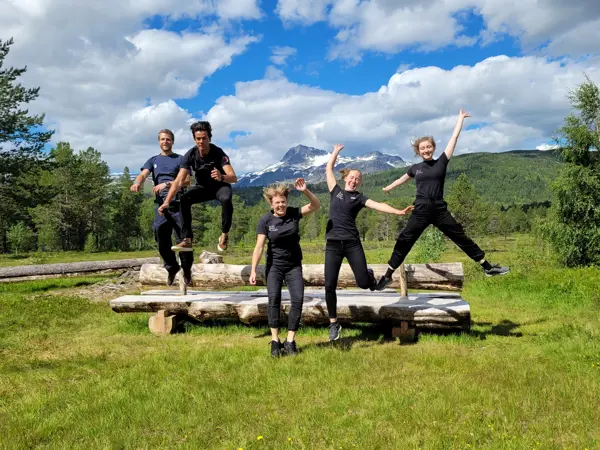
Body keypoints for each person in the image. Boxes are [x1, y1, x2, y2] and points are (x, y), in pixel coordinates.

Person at [376, 109, 509, 291]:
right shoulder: (415, 168)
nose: (426, 150)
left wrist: (460, 119)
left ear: (433, 148)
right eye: (422, 148)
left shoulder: (442, 162)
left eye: (428, 147)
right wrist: (389, 188)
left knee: (460, 236)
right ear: (418, 151)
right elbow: (403, 179)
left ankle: (487, 267)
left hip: (439, 211)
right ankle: (387, 276)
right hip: (420, 211)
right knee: (404, 240)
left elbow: (453, 139)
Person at [324, 144, 414, 341]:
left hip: (352, 244)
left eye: (358, 179)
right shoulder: (335, 191)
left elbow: (378, 206)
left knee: (364, 284)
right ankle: (333, 323)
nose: (354, 181)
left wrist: (398, 211)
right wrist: (335, 153)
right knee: (329, 285)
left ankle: (370, 277)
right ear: (346, 178)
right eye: (352, 177)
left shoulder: (359, 198)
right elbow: (328, 169)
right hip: (332, 245)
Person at [249, 178, 320, 357]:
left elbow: (316, 205)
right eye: (277, 203)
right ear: (271, 204)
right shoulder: (265, 220)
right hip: (274, 266)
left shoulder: (294, 213)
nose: (281, 205)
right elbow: (259, 247)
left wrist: (305, 191)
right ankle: (274, 341)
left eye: (283, 202)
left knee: (298, 299)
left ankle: (290, 341)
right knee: (274, 299)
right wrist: (253, 270)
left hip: (294, 266)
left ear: (287, 202)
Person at [160, 121, 237, 260]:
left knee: (226, 199)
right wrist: (166, 201)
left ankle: (224, 234)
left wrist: (222, 176)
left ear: (209, 138)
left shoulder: (219, 153)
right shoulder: (190, 155)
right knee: (184, 199)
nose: (201, 141)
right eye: (198, 139)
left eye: (204, 138)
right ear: (195, 139)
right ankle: (187, 239)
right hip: (203, 188)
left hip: (220, 186)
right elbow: (178, 181)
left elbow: (233, 178)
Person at [130, 129, 193, 286]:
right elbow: (143, 174)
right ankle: (172, 267)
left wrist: (167, 184)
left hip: (179, 204)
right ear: (159, 142)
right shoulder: (153, 160)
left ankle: (186, 270)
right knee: (160, 236)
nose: (165, 142)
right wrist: (138, 182)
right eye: (163, 139)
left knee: (184, 241)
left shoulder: (180, 159)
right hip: (161, 207)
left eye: (168, 139)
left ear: (172, 141)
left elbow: (186, 181)